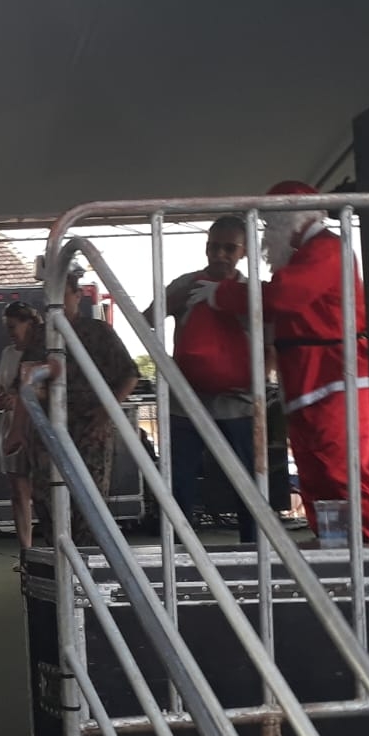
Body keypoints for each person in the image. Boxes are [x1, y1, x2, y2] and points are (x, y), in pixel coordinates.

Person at [208, 180, 369, 541]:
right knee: (316, 471)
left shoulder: (328, 249)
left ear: (290, 219)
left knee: (342, 469)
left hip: (335, 380)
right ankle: (335, 543)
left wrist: (224, 295)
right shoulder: (307, 254)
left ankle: (364, 546)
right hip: (310, 382)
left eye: (271, 223)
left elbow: (283, 297)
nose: (267, 232)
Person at [146, 216, 259, 543]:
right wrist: (173, 302)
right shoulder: (186, 284)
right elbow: (146, 319)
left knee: (249, 484)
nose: (220, 255)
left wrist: (256, 386)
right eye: (213, 247)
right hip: (186, 403)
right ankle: (179, 552)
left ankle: (255, 552)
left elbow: (270, 345)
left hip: (238, 404)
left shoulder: (253, 292)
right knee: (179, 483)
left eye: (229, 248)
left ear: (244, 251)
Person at [31, 270, 140, 549]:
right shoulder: (39, 336)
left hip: (90, 430)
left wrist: (105, 412)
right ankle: (60, 561)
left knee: (89, 504)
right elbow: (27, 381)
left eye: (62, 294)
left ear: (77, 296)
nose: (54, 301)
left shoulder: (98, 332)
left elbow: (129, 375)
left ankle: (87, 564)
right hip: (49, 433)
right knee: (46, 499)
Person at [0, 302, 45, 550]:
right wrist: (2, 399)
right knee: (18, 490)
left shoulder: (44, 352)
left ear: (29, 324)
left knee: (43, 490)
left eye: (13, 326)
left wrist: (21, 400)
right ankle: (26, 549)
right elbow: (0, 388)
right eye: (7, 327)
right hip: (10, 423)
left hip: (37, 424)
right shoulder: (7, 353)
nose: (10, 333)